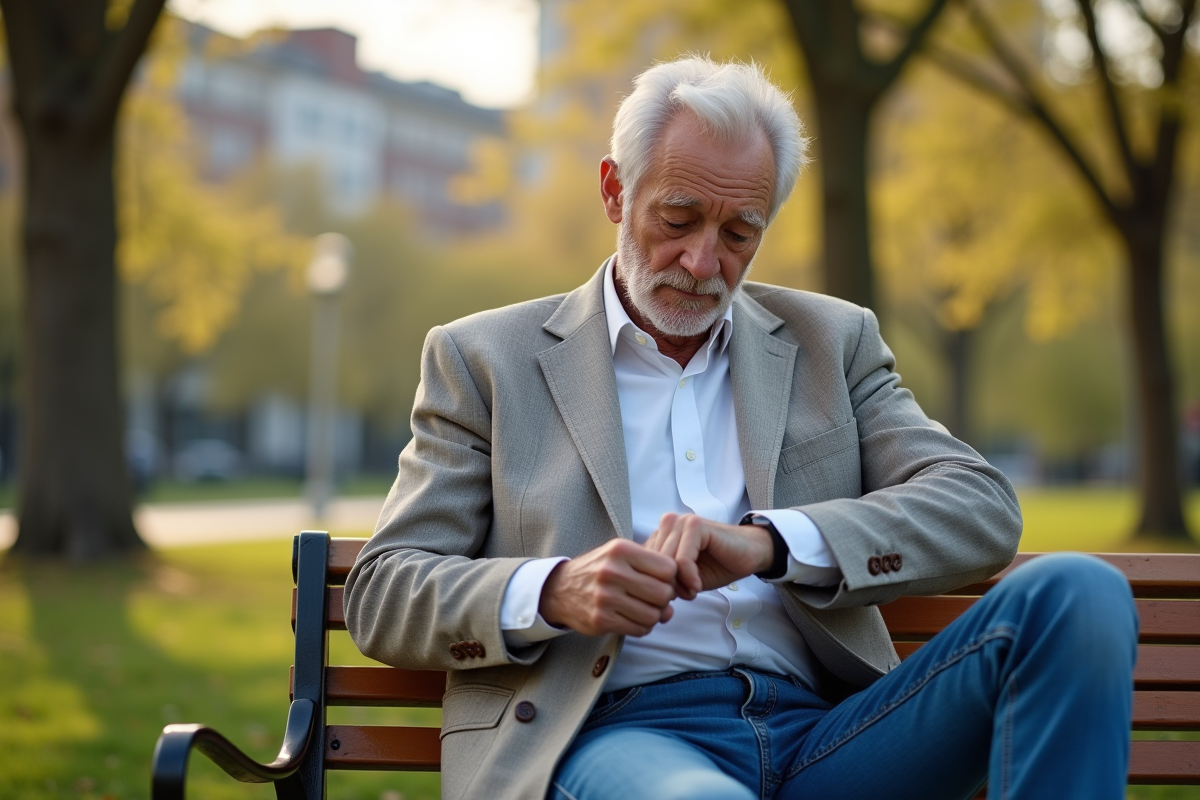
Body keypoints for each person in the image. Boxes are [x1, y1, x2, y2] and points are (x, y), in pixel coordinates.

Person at [344, 57, 1137, 800]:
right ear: (616, 192)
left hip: (830, 737)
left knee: (1081, 592)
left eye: (738, 234)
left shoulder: (834, 341)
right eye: (679, 218)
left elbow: (979, 506)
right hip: (614, 735)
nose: (700, 262)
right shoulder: (484, 359)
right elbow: (384, 592)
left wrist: (775, 544)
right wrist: (555, 590)